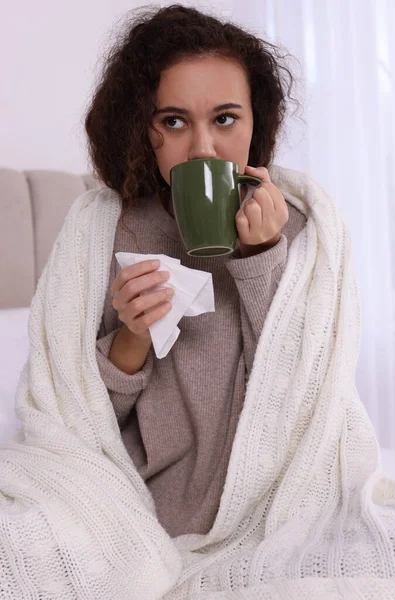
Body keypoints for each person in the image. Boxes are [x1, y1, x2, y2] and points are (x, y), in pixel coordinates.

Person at [85, 4, 307, 538]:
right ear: (143, 126)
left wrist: (261, 256)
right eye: (174, 121)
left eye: (225, 119)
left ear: (257, 123)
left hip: (274, 495)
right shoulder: (111, 233)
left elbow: (302, 392)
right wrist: (133, 334)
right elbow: (84, 420)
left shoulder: (294, 226)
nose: (203, 148)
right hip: (150, 501)